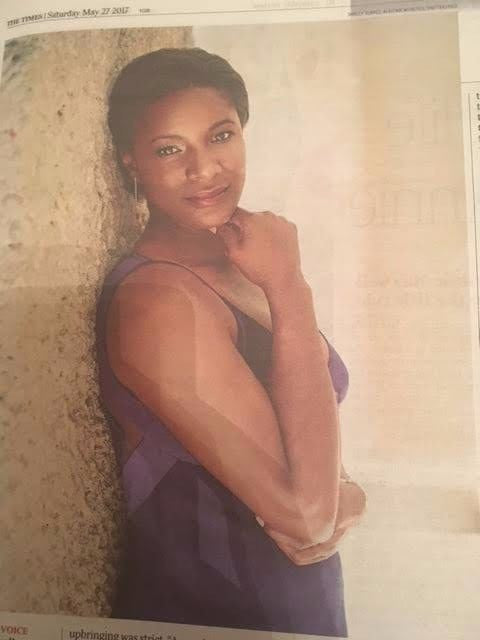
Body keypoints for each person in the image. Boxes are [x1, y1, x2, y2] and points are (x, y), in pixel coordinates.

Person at [96, 47, 366, 637]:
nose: (203, 170)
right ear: (130, 162)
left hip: (301, 605)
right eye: (169, 150)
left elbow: (308, 451)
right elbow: (308, 519)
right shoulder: (158, 302)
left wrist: (348, 490)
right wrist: (290, 286)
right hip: (218, 609)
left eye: (220, 136)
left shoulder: (247, 262)